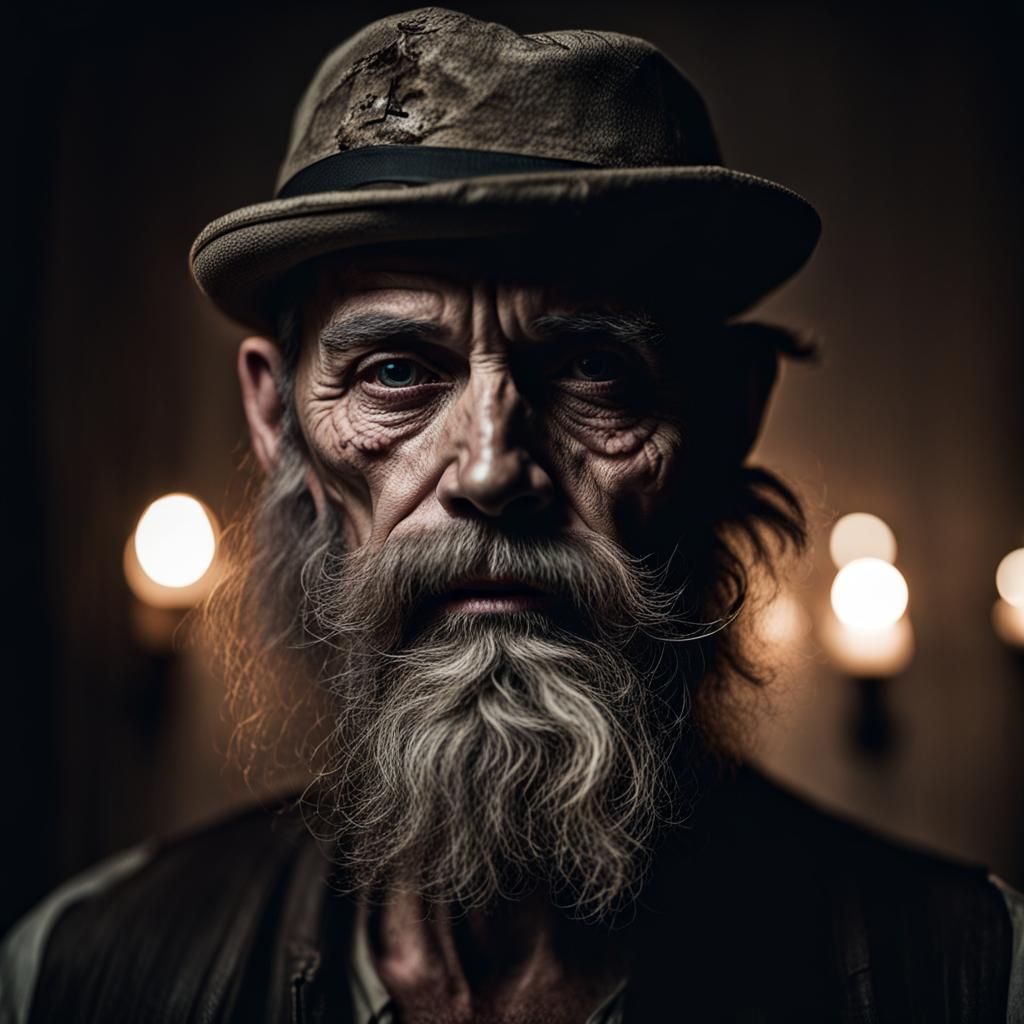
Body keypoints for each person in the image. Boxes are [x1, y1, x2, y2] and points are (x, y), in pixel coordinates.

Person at [2, 7, 1021, 1022]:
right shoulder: (76, 978)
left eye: (591, 366)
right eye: (396, 372)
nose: (491, 469)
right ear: (277, 420)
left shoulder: (971, 980)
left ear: (726, 412)